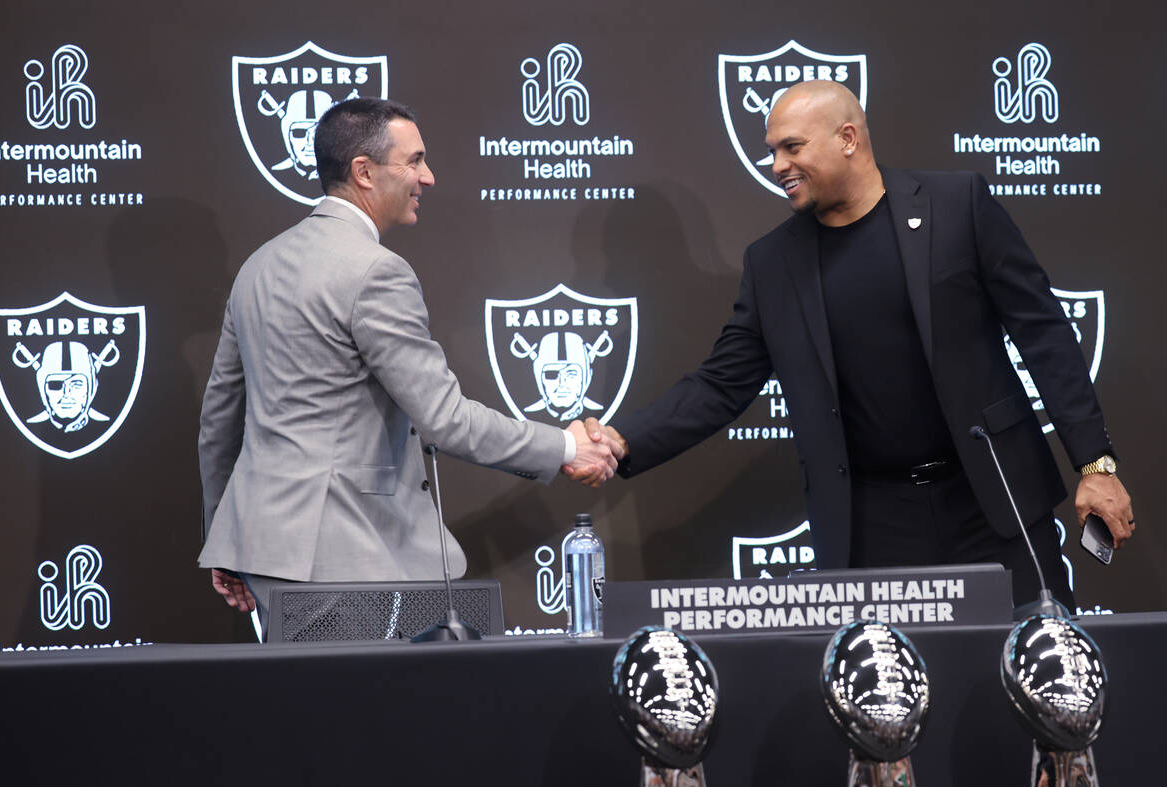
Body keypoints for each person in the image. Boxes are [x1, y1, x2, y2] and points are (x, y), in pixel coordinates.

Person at [570, 80, 1134, 608]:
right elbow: (720, 383)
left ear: (848, 139)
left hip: (993, 500)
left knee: (1042, 671)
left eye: (791, 147)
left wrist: (1095, 463)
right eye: (772, 151)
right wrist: (622, 439)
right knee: (890, 700)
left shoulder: (956, 205)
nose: (776, 166)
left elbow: (1044, 332)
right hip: (873, 524)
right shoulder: (772, 264)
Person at [199, 98, 620, 627]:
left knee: (300, 708)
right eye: (414, 160)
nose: (429, 176)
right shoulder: (376, 272)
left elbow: (218, 423)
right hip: (346, 559)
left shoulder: (256, 267)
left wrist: (224, 540)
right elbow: (445, 419)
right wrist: (565, 445)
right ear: (364, 172)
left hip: (260, 553)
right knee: (364, 710)